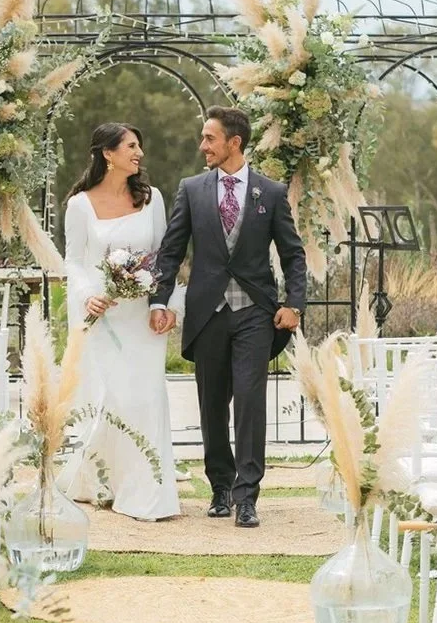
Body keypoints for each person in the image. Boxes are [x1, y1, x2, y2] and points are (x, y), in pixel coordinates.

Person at [150, 106, 306, 529]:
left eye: (210, 138)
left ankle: (247, 496)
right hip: (208, 313)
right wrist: (159, 301)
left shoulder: (270, 193)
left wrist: (294, 304)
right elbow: (171, 251)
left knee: (251, 403)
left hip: (256, 313)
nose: (202, 145)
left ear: (234, 142)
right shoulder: (192, 190)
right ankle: (220, 487)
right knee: (212, 403)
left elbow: (293, 255)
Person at [57, 123, 181, 521]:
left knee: (144, 397)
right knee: (107, 397)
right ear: (107, 154)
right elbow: (73, 261)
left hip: (142, 316)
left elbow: (163, 256)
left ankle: (147, 491)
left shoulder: (152, 199)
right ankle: (101, 479)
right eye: (130, 146)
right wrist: (85, 296)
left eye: (139, 145)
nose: (139, 152)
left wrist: (164, 304)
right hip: (102, 315)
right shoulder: (80, 205)